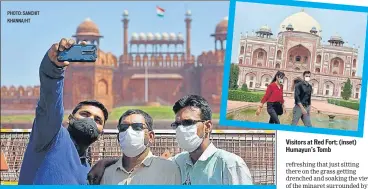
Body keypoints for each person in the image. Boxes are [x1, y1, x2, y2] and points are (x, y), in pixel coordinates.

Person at [86, 95, 253, 185]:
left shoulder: (229, 164)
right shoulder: (178, 163)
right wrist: (106, 163)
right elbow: (141, 164)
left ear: (208, 126)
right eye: (177, 124)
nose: (181, 129)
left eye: (188, 123)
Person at [18, 38, 109, 185]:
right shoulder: (52, 137)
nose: (90, 119)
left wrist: (106, 162)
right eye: (85, 114)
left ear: (101, 132)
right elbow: (50, 102)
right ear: (70, 118)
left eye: (97, 120)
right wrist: (54, 68)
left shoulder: (87, 171)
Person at [100, 109, 181, 185]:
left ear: (151, 136)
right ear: (118, 136)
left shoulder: (169, 170)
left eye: (137, 127)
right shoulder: (107, 173)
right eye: (123, 128)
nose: (129, 131)